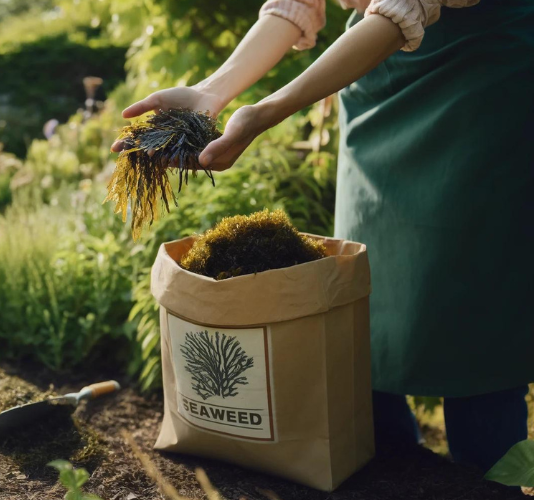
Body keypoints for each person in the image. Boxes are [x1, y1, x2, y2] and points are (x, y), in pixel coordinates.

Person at [113, 0, 534, 471]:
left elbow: (405, 8)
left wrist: (264, 112)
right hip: (372, 72)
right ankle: (386, 466)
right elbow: (299, 5)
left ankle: (488, 473)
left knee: (473, 316)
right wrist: (211, 92)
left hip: (478, 81)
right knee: (364, 313)